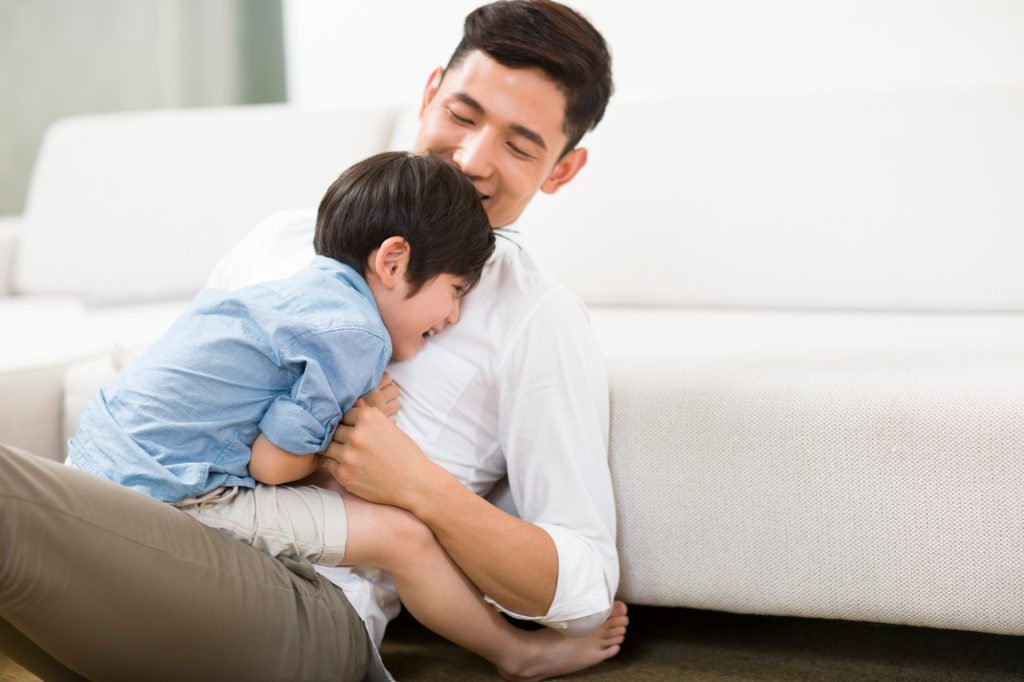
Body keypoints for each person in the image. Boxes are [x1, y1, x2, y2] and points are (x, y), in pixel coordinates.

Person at [0, 1, 625, 680]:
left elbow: (585, 589)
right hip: (164, 525)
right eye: (463, 115)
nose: (472, 158)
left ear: (560, 170)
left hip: (304, 606)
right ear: (427, 97)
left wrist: (420, 487)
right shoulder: (288, 238)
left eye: (518, 144)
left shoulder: (536, 316)